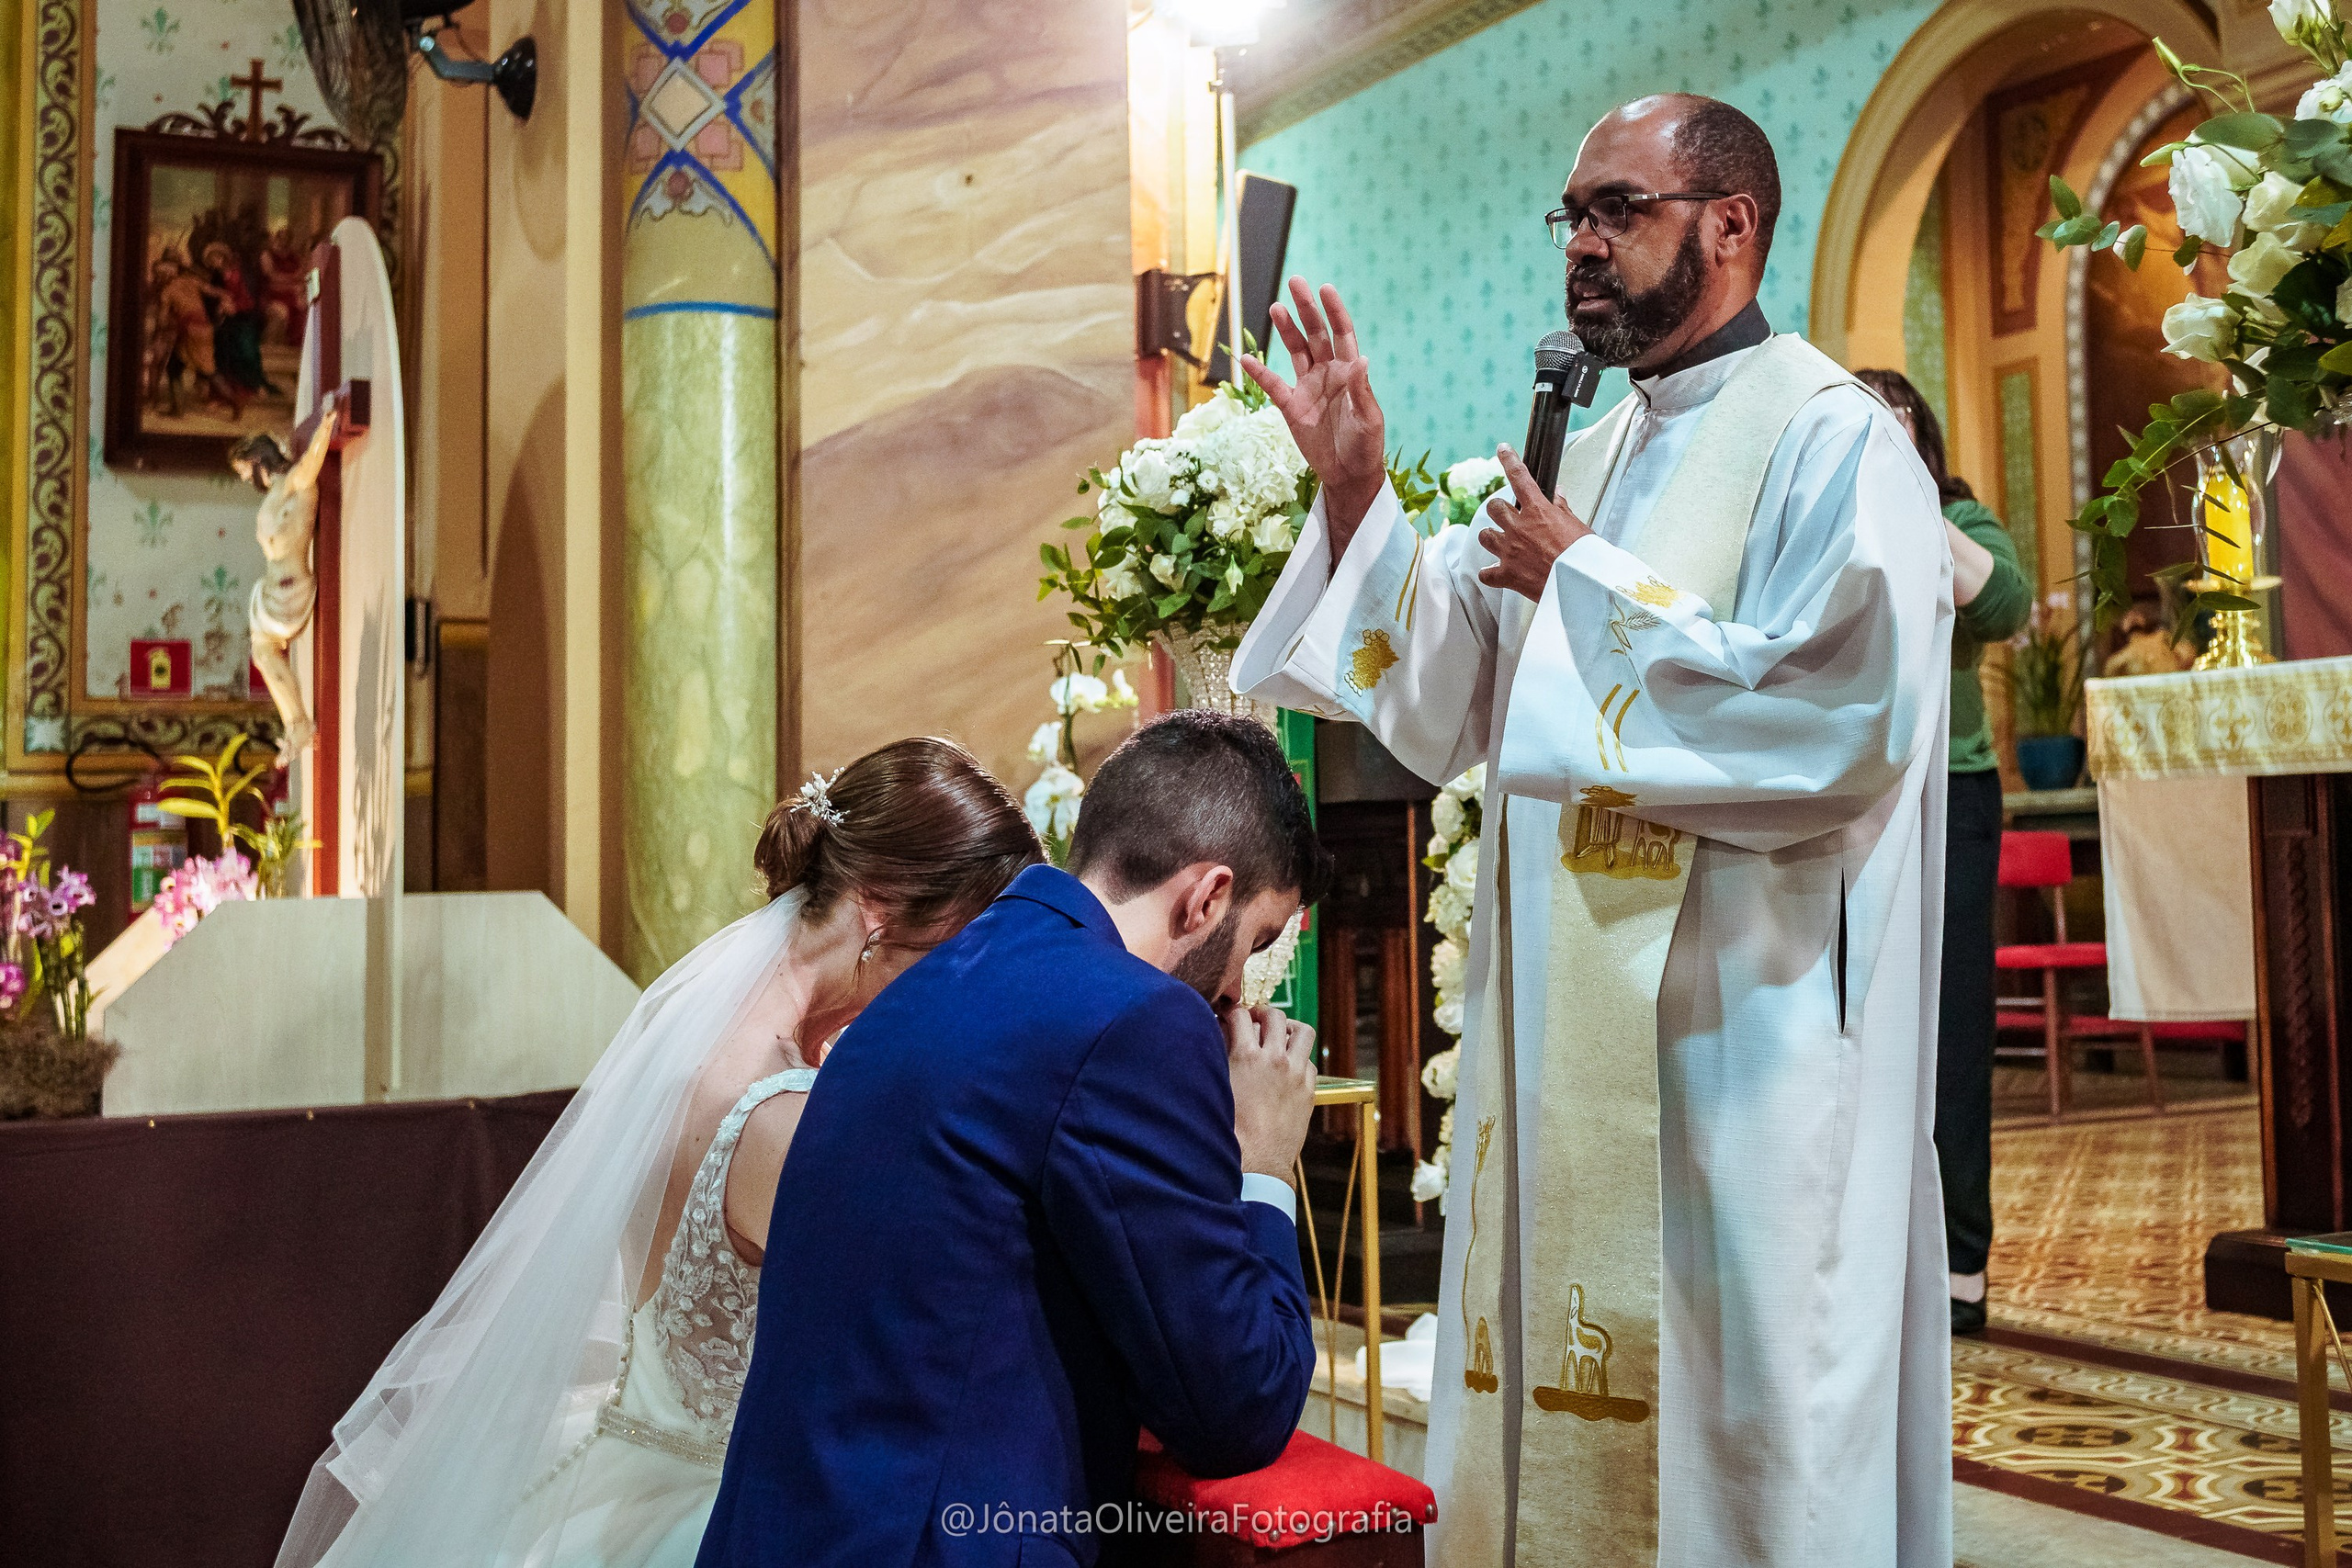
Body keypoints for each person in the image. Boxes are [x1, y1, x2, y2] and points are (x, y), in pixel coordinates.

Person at [1232, 95, 1953, 1565]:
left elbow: (1845, 717)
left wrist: (1590, 588)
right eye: (1572, 214)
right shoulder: (1594, 446)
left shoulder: (1832, 441)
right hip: (1566, 1036)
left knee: (1744, 1413)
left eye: (1617, 209)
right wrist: (1355, 485)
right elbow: (1459, 704)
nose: (1582, 243)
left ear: (1731, 224)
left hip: (1745, 1044)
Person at [272, 739, 1044, 1568]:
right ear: (879, 909)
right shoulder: (778, 1116)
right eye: (959, 950)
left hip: (617, 1472)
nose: (963, 983)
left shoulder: (697, 1034)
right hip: (716, 1508)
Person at [695, 710, 1329, 1568]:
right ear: (1207, 896)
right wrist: (1262, 1161)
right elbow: (1236, 1408)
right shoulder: (1142, 1017)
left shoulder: (921, 981)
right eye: (1253, 941)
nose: (1236, 989)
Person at [1856, 368, 2030, 1337]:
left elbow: (2001, 603)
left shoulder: (1958, 514)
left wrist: (1910, 497)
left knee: (1950, 1036)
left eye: (1896, 426)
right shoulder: (1823, 515)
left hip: (1950, 794)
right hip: (1849, 796)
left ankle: (1960, 1262)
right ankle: (1869, 1259)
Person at [232, 405, 341, 765]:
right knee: (262, 654)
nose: (248, 481)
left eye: (247, 471)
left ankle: (298, 724)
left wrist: (326, 425)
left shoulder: (294, 482)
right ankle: (296, 723)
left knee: (263, 653)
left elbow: (312, 463)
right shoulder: (278, 494)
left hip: (289, 593)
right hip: (274, 591)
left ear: (259, 459)